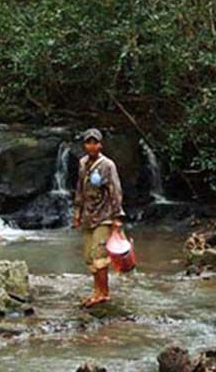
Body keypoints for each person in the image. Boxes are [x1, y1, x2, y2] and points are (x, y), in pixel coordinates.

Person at [72, 128, 125, 307]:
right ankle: (96, 291)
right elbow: (80, 188)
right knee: (89, 257)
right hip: (88, 215)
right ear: (85, 144)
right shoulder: (82, 163)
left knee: (99, 256)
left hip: (105, 215)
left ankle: (104, 293)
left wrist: (117, 218)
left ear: (100, 145)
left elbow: (115, 191)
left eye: (95, 142)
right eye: (89, 142)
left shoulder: (107, 165)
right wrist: (77, 212)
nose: (92, 146)